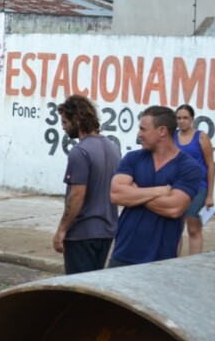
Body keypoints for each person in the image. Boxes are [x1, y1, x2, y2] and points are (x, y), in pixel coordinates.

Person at [109, 105, 201, 267]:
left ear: (162, 131)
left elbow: (174, 208)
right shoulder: (133, 158)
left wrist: (135, 193)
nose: (139, 134)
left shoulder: (188, 167)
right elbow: (116, 194)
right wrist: (159, 191)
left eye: (143, 129)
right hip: (123, 253)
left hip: (161, 260)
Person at [52, 95, 121, 274]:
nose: (63, 127)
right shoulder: (112, 147)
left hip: (83, 233)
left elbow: (77, 196)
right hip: (106, 231)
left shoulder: (79, 152)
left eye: (65, 122)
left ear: (77, 120)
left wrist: (61, 230)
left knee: (79, 290)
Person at [174, 104, 215, 255]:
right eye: (179, 118)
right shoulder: (173, 136)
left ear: (192, 119)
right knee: (176, 225)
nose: (182, 121)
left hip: (199, 187)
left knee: (192, 220)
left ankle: (194, 261)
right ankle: (173, 260)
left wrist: (210, 195)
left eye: (185, 118)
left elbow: (210, 166)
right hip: (179, 187)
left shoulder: (201, 137)